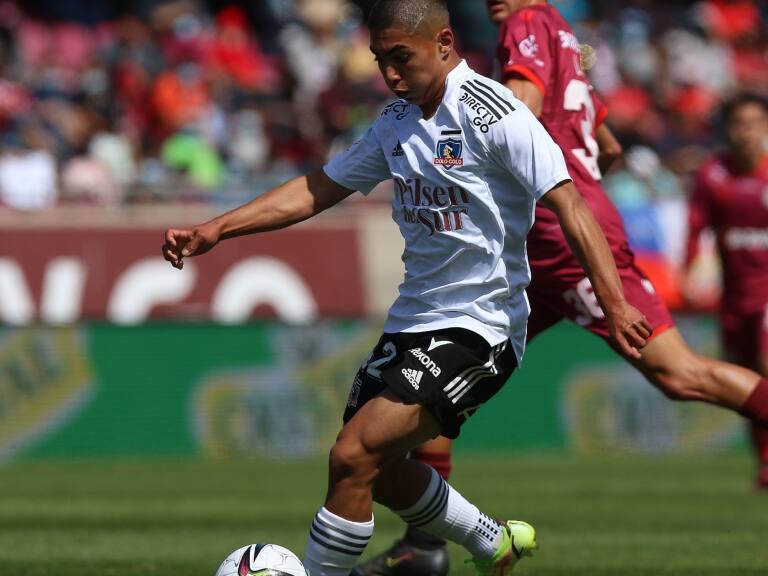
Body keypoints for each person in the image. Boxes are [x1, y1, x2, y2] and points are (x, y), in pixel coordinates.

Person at [162, 1, 653, 575]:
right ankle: (491, 540)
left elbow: (571, 206)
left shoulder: (497, 115)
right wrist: (218, 228)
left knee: (351, 456)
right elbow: (319, 187)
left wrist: (615, 303)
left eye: (401, 58)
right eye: (379, 60)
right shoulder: (396, 120)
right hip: (412, 321)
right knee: (386, 471)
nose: (390, 74)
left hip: (480, 326)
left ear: (445, 43)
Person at [353, 2, 768, 575]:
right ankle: (425, 546)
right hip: (530, 247)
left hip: (559, 241)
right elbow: (610, 145)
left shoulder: (525, 26)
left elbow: (519, 108)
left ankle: (426, 546)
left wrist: (462, 133)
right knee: (432, 376)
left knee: (680, 373)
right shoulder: (565, 38)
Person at [686, 93, 768, 489]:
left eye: (753, 123)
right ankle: (765, 461)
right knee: (749, 381)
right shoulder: (714, 174)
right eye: (738, 124)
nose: (745, 133)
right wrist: (690, 269)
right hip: (736, 297)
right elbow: (696, 225)